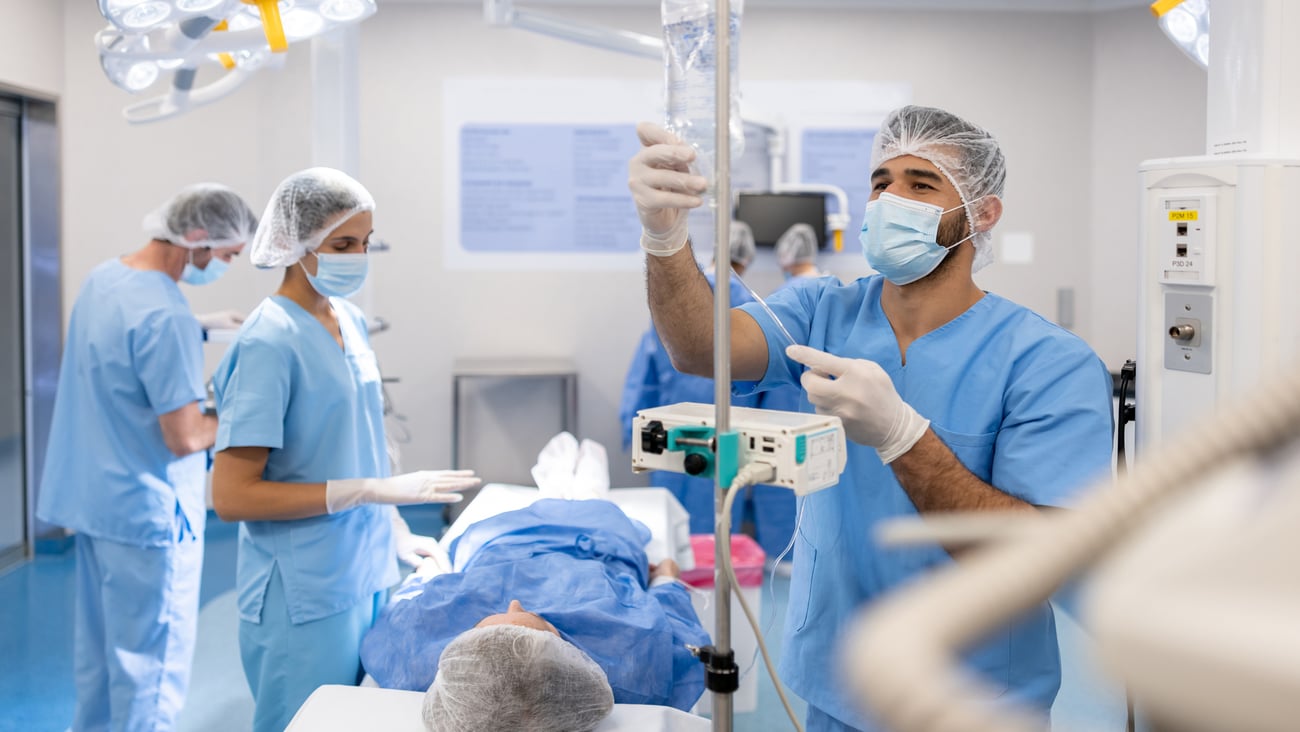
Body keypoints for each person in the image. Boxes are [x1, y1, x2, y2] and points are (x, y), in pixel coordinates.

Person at [627, 105, 1115, 730]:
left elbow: (1042, 559)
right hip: (839, 677)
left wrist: (902, 437)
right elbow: (700, 347)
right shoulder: (823, 309)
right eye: (882, 182)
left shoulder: (1049, 363)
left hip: (974, 694)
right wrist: (666, 238)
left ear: (982, 214)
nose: (891, 199)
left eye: (921, 184)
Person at [209, 167, 481, 732]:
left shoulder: (348, 320)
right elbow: (233, 496)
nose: (356, 255)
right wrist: (368, 491)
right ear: (296, 244)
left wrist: (396, 530)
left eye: (363, 242)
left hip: (364, 567)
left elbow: (355, 434)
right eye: (341, 244)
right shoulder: (268, 340)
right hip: (302, 594)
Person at [35, 183, 257, 732]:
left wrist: (199, 324)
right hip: (146, 516)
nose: (226, 265)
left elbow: (119, 343)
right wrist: (240, 419)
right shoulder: (165, 315)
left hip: (93, 501)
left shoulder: (106, 278)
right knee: (150, 670)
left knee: (101, 658)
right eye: (228, 256)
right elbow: (184, 436)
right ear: (197, 240)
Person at [359, 498, 711, 731]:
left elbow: (405, 607)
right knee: (584, 476)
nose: (514, 604)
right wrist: (666, 575)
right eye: (536, 621)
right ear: (569, 652)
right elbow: (678, 626)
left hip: (497, 541)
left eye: (481, 624)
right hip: (600, 539)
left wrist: (430, 572)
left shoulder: (414, 659)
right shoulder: (638, 663)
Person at [618, 221, 763, 537]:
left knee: (672, 523)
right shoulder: (754, 308)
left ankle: (673, 575)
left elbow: (645, 372)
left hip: (671, 427)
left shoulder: (676, 306)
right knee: (719, 520)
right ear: (747, 259)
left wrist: (631, 421)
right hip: (730, 434)